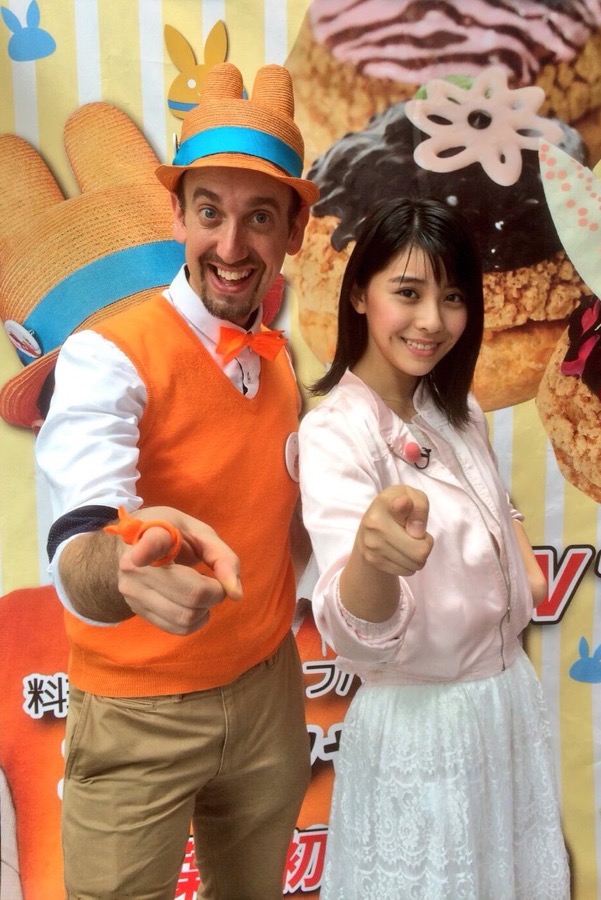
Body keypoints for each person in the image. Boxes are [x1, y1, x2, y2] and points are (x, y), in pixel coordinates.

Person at [35, 62, 319, 900]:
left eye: (259, 217)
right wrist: (120, 571)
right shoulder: (108, 354)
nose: (230, 248)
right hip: (138, 716)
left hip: (268, 694)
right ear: (178, 216)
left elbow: (286, 524)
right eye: (209, 213)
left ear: (294, 232)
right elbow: (82, 527)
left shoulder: (280, 365)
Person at [298, 198, 571, 899]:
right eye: (408, 292)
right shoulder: (335, 434)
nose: (432, 321)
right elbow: (355, 631)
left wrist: (520, 559)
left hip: (504, 704)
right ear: (359, 294)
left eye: (452, 298)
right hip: (423, 729)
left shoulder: (459, 410)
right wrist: (371, 558)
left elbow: (493, 500)